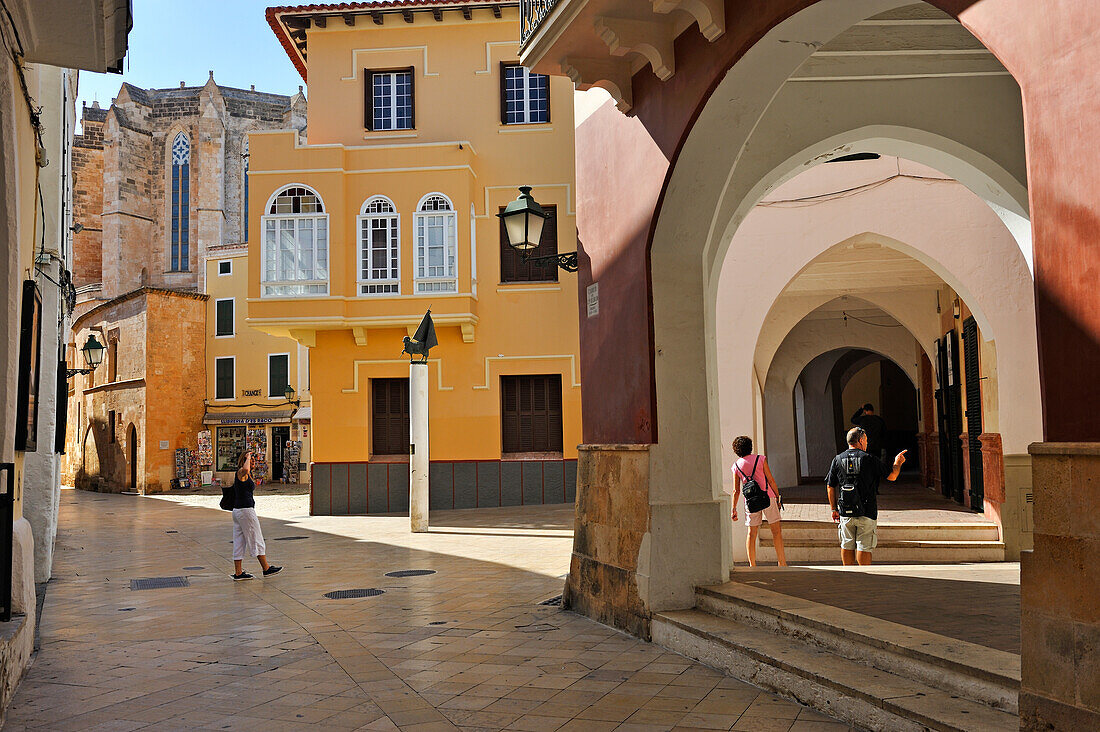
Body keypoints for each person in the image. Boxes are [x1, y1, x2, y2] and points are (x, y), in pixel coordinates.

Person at [825, 427, 906, 566]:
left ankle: (848, 576)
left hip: (845, 510)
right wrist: (897, 463)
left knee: (846, 544)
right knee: (864, 545)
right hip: (867, 510)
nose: (867, 443)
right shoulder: (869, 459)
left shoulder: (837, 460)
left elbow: (830, 486)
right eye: (866, 440)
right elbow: (892, 476)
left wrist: (834, 509)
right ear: (861, 440)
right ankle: (864, 576)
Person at [730, 436, 787, 567]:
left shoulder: (736, 466)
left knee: (751, 533)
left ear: (736, 450)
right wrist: (778, 497)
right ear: (750, 447)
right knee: (776, 531)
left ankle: (752, 565)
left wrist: (733, 508)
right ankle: (782, 563)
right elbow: (771, 480)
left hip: (750, 502)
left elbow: (736, 491)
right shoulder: (760, 459)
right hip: (768, 497)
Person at [230, 451, 282, 581]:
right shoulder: (242, 472)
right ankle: (266, 568)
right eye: (250, 460)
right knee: (256, 538)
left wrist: (248, 460)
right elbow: (246, 468)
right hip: (245, 511)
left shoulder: (245, 474)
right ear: (244, 460)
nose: (253, 462)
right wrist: (247, 457)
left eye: (253, 460)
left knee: (239, 541)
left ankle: (238, 573)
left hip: (238, 511)